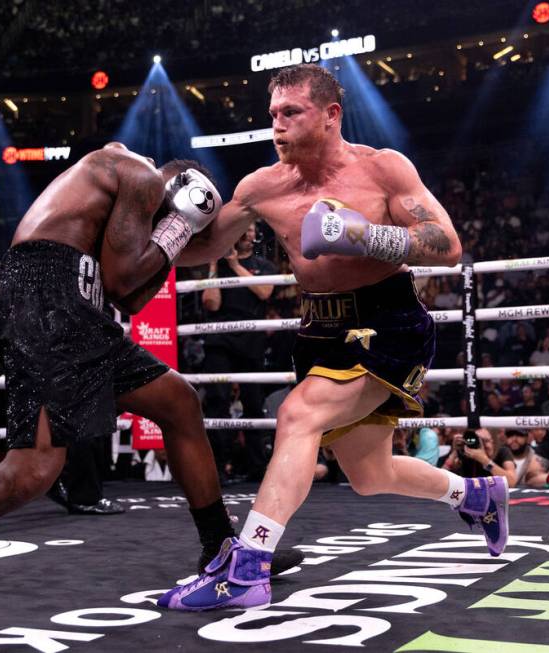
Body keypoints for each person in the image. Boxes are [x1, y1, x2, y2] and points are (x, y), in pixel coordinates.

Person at [0, 142, 300, 638]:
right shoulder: (136, 174)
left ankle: (220, 548)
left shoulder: (127, 209)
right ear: (175, 187)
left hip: (78, 304)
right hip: (48, 297)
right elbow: (121, 281)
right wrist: (178, 225)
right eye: (176, 216)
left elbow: (131, 296)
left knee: (178, 402)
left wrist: (180, 232)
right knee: (30, 471)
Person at [159, 64, 508, 612]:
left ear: (330, 115)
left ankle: (247, 570)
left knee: (298, 416)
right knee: (370, 474)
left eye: (290, 113)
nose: (277, 126)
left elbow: (446, 244)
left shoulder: (382, 169)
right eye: (273, 115)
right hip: (319, 328)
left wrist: (364, 235)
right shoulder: (261, 187)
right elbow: (202, 250)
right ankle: (476, 494)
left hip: (387, 322)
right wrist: (157, 234)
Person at [201, 222, 276, 482]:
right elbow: (211, 303)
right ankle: (217, 469)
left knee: (254, 404)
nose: (246, 233)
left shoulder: (263, 265)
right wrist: (214, 265)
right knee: (218, 401)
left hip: (251, 342)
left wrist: (234, 266)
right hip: (220, 340)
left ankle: (257, 469)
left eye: (250, 230)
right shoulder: (217, 266)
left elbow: (265, 292)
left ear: (255, 235)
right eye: (241, 230)